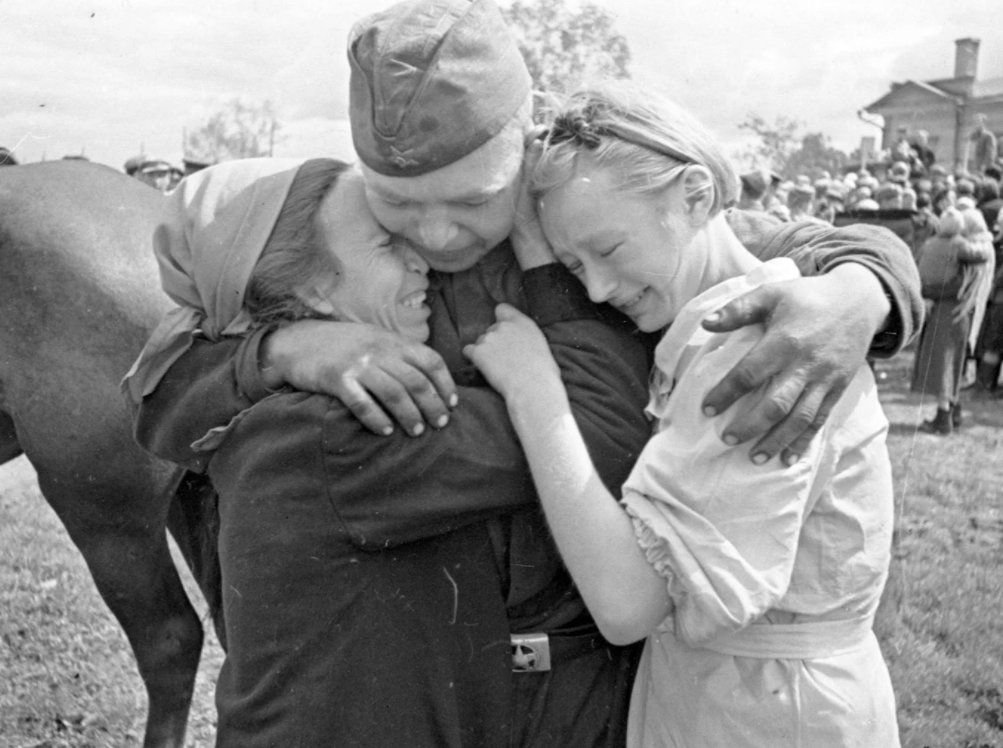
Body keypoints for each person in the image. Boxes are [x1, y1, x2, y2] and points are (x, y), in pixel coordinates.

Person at [127, 0, 922, 743]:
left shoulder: (601, 215)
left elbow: (772, 246)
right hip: (434, 679)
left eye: (474, 200)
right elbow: (161, 390)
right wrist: (282, 351)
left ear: (527, 145)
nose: (435, 236)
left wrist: (861, 290)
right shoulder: (352, 270)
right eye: (398, 209)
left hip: (593, 678)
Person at [125, 155, 651, 746]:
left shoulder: (301, 403)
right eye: (386, 244)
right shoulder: (346, 427)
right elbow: (595, 431)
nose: (422, 252)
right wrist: (534, 242)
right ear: (311, 289)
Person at [466, 81, 900, 747]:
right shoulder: (707, 318)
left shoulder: (753, 350)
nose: (600, 288)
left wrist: (535, 393)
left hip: (765, 712)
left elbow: (626, 603)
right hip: (732, 691)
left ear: (695, 195)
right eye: (576, 266)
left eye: (608, 250)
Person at [911, 207, 992, 434]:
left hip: (936, 308)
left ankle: (950, 413)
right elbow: (982, 257)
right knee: (949, 363)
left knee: (945, 362)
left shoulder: (929, 245)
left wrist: (926, 292)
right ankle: (945, 417)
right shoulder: (960, 247)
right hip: (954, 311)